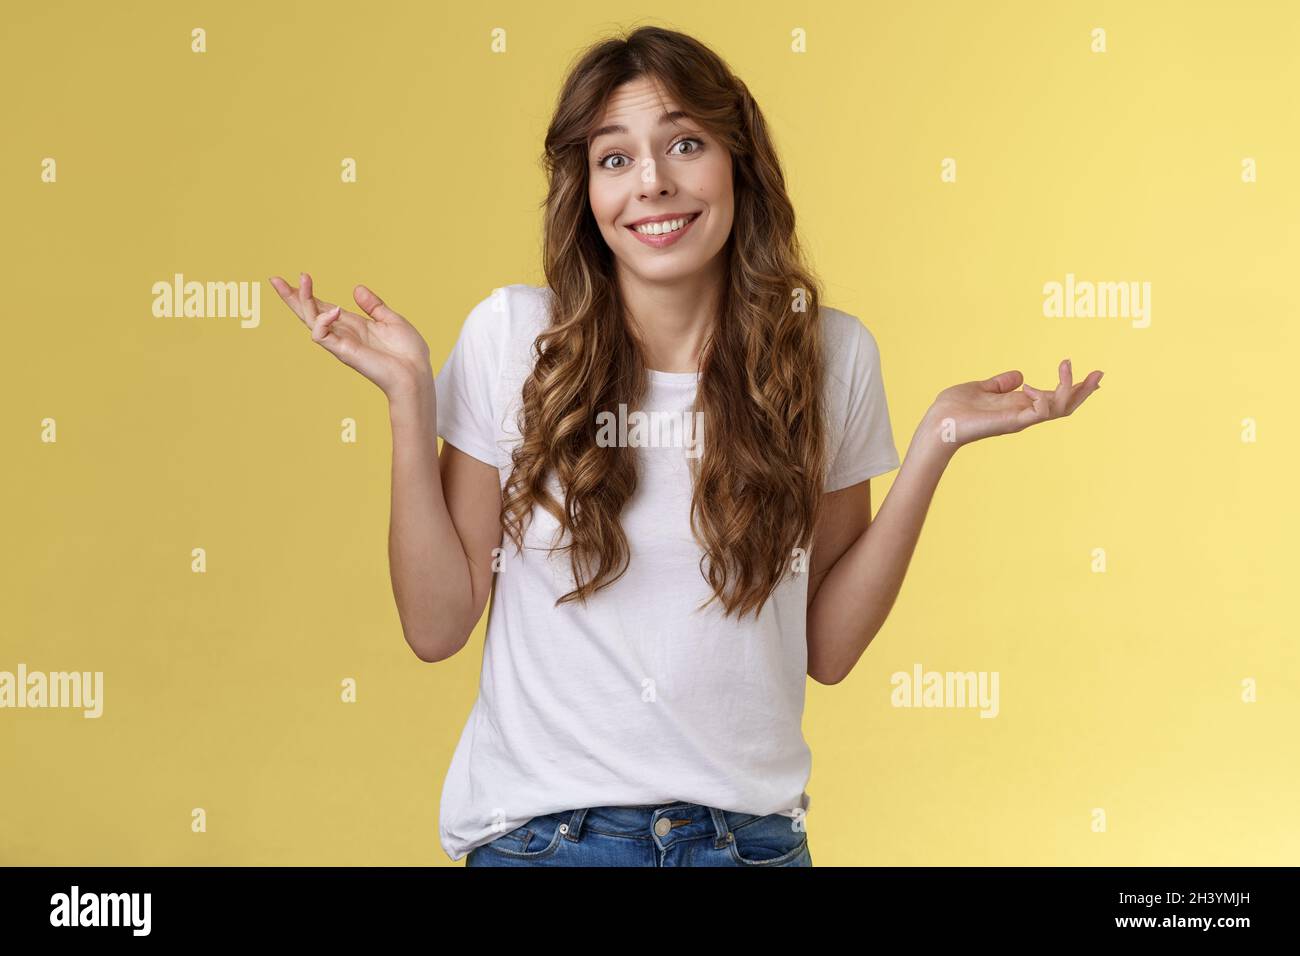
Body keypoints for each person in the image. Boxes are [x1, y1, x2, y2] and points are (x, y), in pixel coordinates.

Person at [269, 26, 1103, 867]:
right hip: (549, 842)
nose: (654, 184)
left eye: (684, 144)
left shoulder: (829, 357)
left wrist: (935, 444)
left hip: (751, 847)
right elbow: (437, 624)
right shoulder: (515, 337)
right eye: (615, 159)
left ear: (738, 160)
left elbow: (829, 650)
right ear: (585, 190)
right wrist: (411, 399)